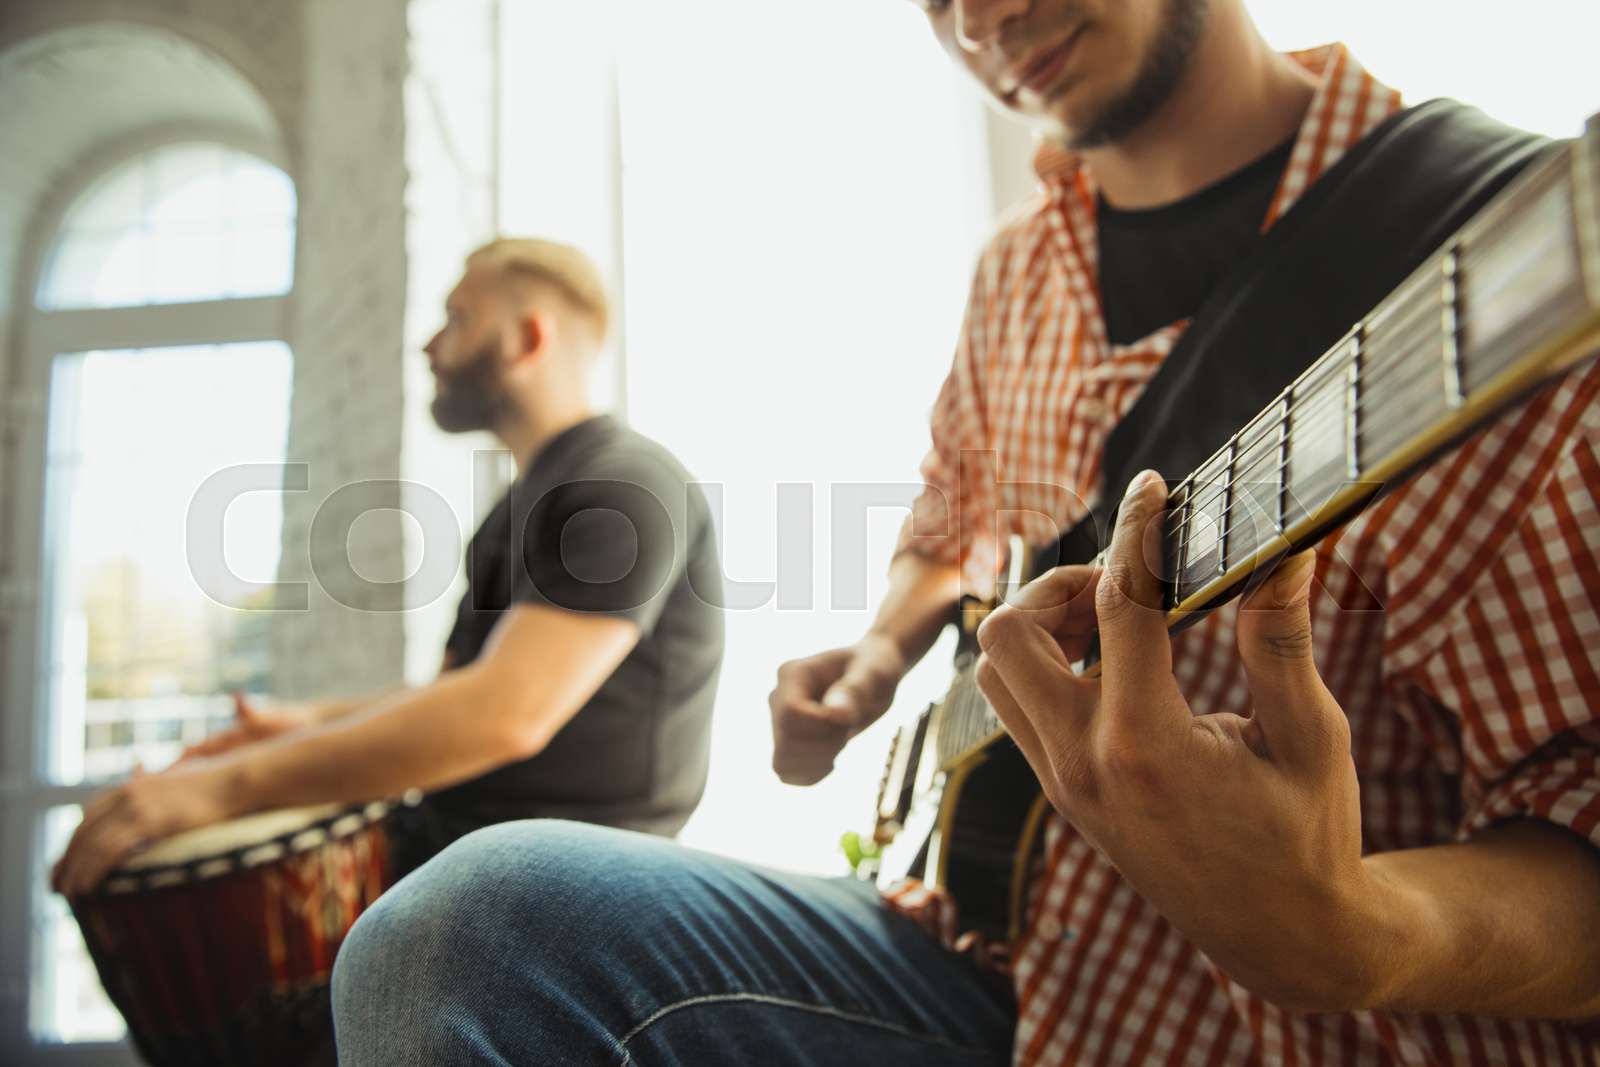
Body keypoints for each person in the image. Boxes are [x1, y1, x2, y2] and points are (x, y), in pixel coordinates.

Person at [329, 4, 1600, 1065]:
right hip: (990, 960)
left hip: (1315, 1028)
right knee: (466, 929)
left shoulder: (1493, 245)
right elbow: (953, 515)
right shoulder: (1014, 274)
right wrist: (882, 653)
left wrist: (1355, 929)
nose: (982, 20)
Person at [51, 237, 725, 897]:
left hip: (577, 890)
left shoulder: (625, 486)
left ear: (528, 340)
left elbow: (507, 712)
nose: (430, 344)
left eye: (458, 318)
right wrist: (312, 720)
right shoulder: (520, 504)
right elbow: (462, 686)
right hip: (480, 862)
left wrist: (224, 786)